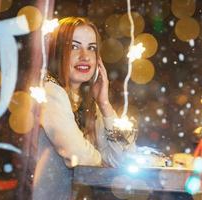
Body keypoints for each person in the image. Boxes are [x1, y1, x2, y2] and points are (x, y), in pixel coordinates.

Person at [32, 17, 136, 200]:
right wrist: (105, 164)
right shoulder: (48, 91)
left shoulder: (87, 102)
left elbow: (122, 159)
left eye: (92, 48)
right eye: (74, 46)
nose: (85, 56)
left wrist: (105, 104)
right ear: (58, 51)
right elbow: (78, 154)